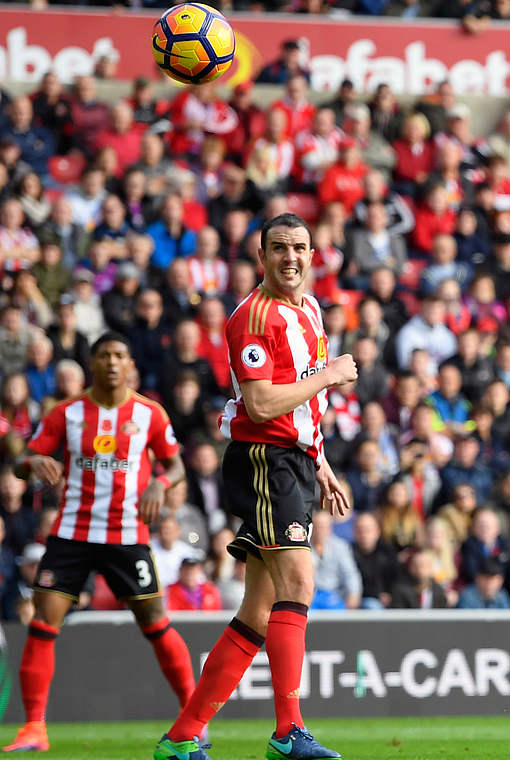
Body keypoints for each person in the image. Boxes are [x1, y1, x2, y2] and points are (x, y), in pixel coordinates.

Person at [153, 214, 357, 760]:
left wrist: (322, 462)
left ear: (313, 255)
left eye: (300, 247)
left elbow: (303, 408)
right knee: (301, 578)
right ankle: (288, 730)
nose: (291, 257)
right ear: (261, 256)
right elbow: (264, 403)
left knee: (258, 612)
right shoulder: (251, 319)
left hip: (293, 459)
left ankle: (181, 737)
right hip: (264, 460)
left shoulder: (310, 309)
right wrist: (331, 374)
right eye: (279, 248)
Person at [4, 333, 194, 753]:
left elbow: (176, 465)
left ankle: (192, 717)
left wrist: (160, 484)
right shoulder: (66, 413)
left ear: (129, 364)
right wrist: (33, 460)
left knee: (156, 623)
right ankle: (34, 726)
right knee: (42, 622)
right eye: (104, 355)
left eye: (120, 356)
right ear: (93, 363)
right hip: (72, 533)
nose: (112, 362)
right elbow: (20, 463)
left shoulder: (150, 413)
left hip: (128, 536)